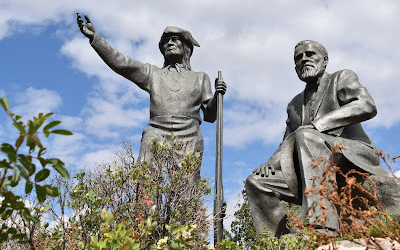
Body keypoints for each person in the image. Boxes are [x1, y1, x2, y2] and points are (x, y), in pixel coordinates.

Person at [245, 40, 387, 237]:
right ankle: (275, 241)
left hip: (351, 157)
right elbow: (288, 141)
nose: (303, 60)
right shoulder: (293, 104)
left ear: (325, 60)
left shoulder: (341, 78)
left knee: (306, 134)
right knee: (256, 181)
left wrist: (316, 127)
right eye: (298, 58)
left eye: (309, 54)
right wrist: (269, 164)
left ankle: (322, 224)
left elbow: (366, 105)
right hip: (311, 164)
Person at [76, 13, 227, 175]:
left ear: (186, 47)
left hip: (190, 134)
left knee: (187, 188)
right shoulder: (153, 74)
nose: (169, 43)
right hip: (157, 130)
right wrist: (95, 39)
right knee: (145, 173)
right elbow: (122, 63)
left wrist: (218, 97)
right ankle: (146, 202)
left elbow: (210, 116)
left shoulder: (200, 77)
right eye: (165, 41)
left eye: (175, 39)